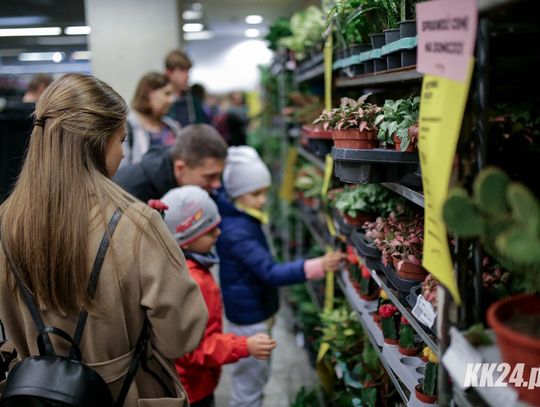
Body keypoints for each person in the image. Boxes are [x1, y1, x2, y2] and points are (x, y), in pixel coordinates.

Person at [0, 73, 208, 406]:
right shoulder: (137, 223)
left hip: (33, 395)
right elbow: (180, 337)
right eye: (121, 140)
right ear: (98, 142)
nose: (124, 155)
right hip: (126, 394)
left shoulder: (6, 221)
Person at [216, 146, 347, 407]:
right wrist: (317, 265)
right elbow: (270, 272)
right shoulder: (237, 231)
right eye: (256, 194)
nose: (263, 199)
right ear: (236, 194)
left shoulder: (241, 218)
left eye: (264, 192)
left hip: (251, 312)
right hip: (249, 320)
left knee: (255, 379)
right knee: (250, 384)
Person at [160, 186, 277, 407]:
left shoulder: (179, 267)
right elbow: (193, 348)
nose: (218, 232)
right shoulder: (194, 282)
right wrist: (244, 345)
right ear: (186, 238)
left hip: (186, 381)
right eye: (209, 230)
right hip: (192, 388)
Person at [114, 124, 227, 202]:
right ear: (180, 168)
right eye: (210, 176)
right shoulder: (130, 195)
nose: (217, 184)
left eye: (219, 176)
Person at [122, 72, 181, 166]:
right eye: (167, 94)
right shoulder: (127, 129)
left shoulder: (172, 127)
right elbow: (121, 172)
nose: (172, 99)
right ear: (148, 94)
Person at [164, 49, 209, 126]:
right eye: (182, 70)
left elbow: (204, 128)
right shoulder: (161, 101)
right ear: (169, 72)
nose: (187, 76)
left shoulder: (193, 100)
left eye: (188, 71)